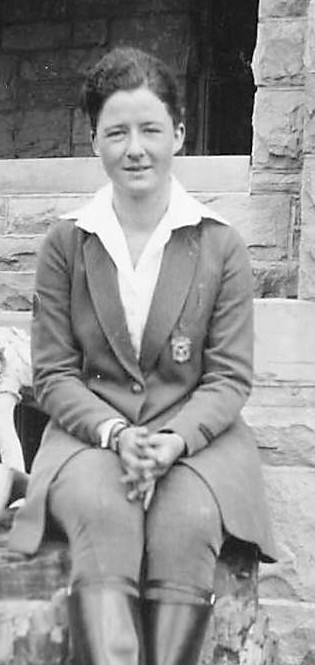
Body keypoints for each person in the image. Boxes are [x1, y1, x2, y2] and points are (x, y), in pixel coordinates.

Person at [7, 47, 276, 665]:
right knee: (104, 510)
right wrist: (113, 432)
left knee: (186, 525)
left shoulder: (220, 244)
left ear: (178, 134)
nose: (136, 148)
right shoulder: (65, 244)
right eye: (117, 132)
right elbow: (52, 373)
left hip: (197, 439)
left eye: (151, 129)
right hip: (90, 435)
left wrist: (174, 440)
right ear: (95, 141)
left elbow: (229, 376)